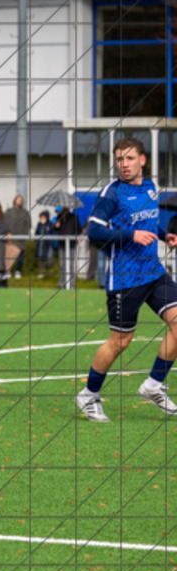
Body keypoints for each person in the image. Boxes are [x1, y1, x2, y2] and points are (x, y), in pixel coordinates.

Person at [76, 137, 177, 422]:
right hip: (125, 280)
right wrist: (130, 236)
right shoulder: (111, 193)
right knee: (120, 341)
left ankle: (153, 385)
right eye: (119, 159)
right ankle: (88, 395)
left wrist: (161, 233)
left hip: (154, 273)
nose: (124, 164)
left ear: (142, 160)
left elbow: (144, 219)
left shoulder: (150, 187)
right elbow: (94, 232)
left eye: (130, 158)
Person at [54, 206, 81, 289]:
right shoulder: (59, 217)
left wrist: (77, 237)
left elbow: (79, 229)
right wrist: (56, 226)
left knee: (70, 265)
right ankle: (61, 284)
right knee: (62, 264)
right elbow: (55, 229)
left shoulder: (74, 217)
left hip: (71, 244)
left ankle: (72, 284)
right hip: (62, 244)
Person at [4, 195, 30, 279]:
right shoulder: (9, 211)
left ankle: (18, 271)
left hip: (21, 239)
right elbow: (4, 222)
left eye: (21, 200)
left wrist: (24, 235)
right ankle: (7, 271)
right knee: (8, 256)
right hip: (10, 238)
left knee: (20, 256)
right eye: (18, 199)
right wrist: (7, 232)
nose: (20, 201)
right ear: (15, 200)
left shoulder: (25, 212)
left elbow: (28, 225)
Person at [34, 209, 57, 278]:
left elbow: (52, 233)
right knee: (41, 258)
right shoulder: (39, 224)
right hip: (40, 244)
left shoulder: (50, 224)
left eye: (44, 216)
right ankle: (42, 272)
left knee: (48, 258)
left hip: (48, 244)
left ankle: (49, 272)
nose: (42, 218)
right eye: (41, 216)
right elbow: (36, 233)